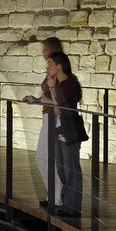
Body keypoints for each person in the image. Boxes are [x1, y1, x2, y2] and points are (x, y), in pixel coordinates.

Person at [22, 37, 65, 210]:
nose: (43, 52)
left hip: (53, 118)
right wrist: (38, 99)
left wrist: (43, 99)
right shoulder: (51, 69)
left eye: (45, 48)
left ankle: (57, 198)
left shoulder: (57, 70)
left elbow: (57, 100)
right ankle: (53, 196)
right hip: (48, 115)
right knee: (44, 157)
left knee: (46, 157)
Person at [46, 51, 84, 217]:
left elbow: (59, 102)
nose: (48, 67)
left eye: (50, 63)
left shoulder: (69, 83)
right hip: (59, 130)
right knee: (62, 170)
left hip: (69, 131)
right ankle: (67, 205)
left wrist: (52, 87)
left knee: (71, 171)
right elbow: (56, 105)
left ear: (59, 65)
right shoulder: (60, 85)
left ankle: (73, 209)